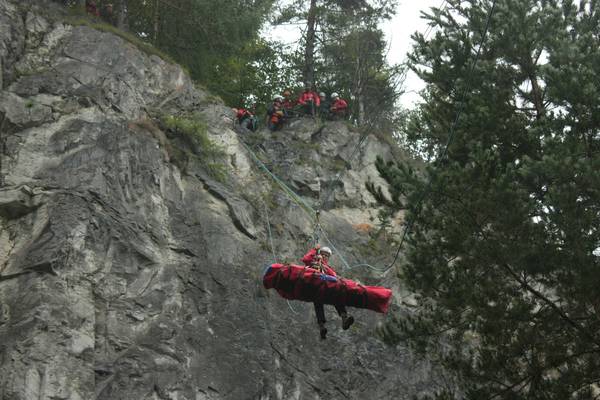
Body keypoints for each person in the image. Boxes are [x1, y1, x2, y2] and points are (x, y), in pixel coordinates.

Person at [302, 244, 354, 339]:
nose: (324, 256)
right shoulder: (313, 262)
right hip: (315, 285)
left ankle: (344, 318)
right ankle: (321, 326)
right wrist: (314, 250)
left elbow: (334, 276)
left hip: (325, 286)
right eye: (323, 254)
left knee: (336, 295)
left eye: (326, 255)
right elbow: (305, 259)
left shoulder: (328, 268)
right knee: (318, 302)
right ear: (319, 254)